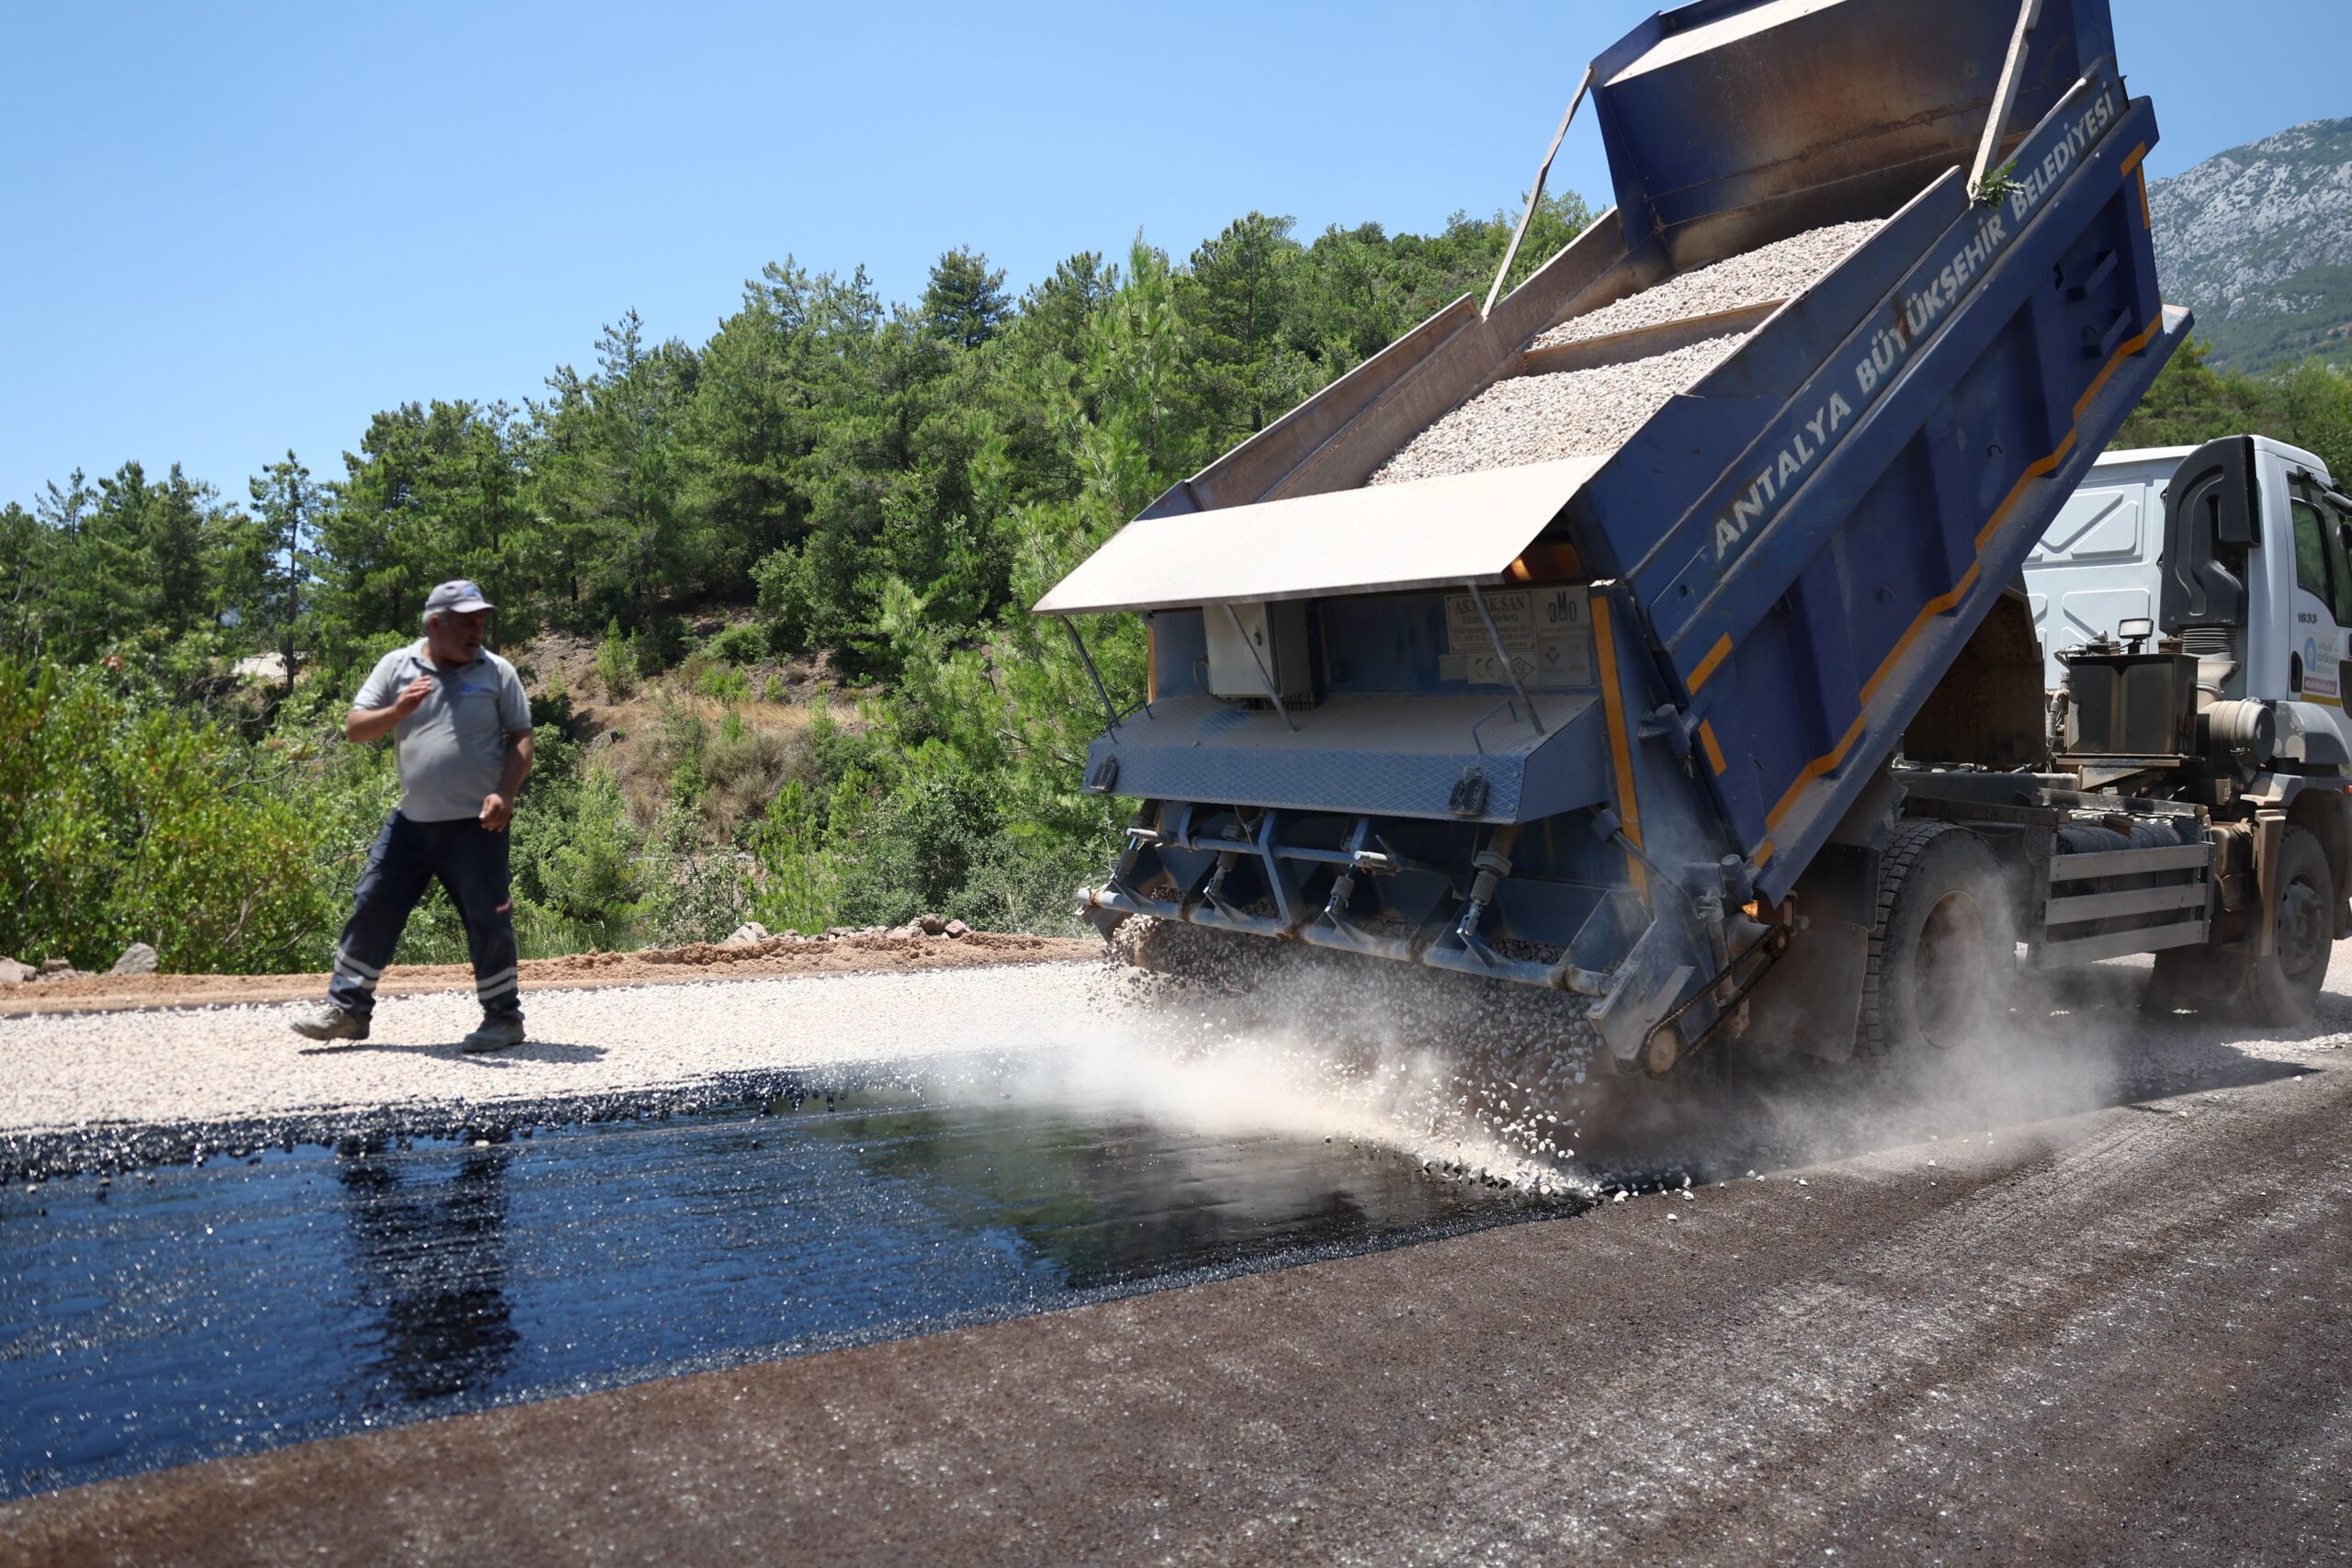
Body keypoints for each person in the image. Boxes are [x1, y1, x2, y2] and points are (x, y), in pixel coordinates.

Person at [293, 581, 535, 1052]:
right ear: (435, 624)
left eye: (482, 621)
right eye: (466, 622)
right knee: (373, 905)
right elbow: (355, 729)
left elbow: (522, 739)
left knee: (488, 919)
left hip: (477, 826)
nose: (477, 631)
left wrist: (505, 793)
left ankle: (504, 1019)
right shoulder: (396, 666)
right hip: (412, 824)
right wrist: (398, 709)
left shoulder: (497, 671)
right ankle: (348, 1011)